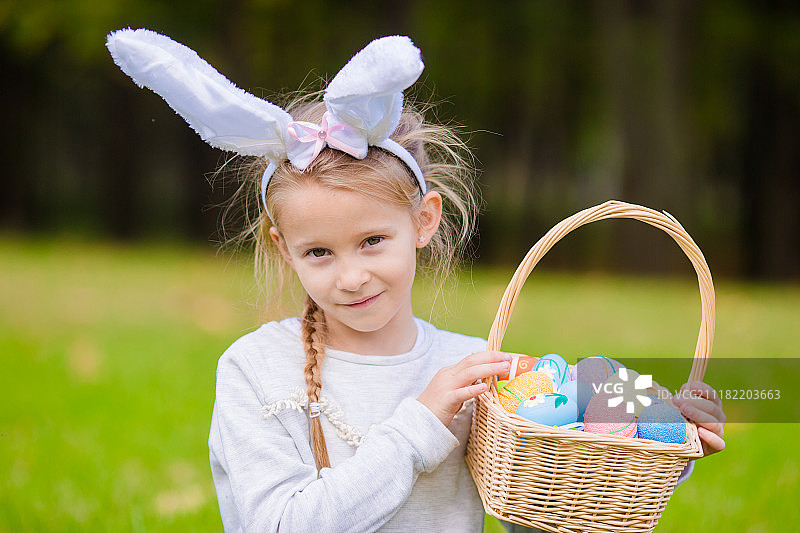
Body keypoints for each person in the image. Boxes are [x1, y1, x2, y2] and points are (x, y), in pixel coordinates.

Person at [106, 29, 726, 533]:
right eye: (318, 251)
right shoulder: (256, 370)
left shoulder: (467, 368)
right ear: (283, 247)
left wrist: (653, 443)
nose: (351, 275)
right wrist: (419, 426)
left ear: (424, 221)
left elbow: (544, 511)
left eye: (373, 241)